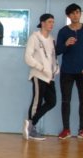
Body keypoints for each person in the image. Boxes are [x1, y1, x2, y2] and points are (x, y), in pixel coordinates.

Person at [55, 3, 83, 141]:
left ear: (80, 14)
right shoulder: (63, 31)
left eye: (77, 12)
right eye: (72, 13)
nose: (75, 15)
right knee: (65, 100)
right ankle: (66, 129)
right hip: (67, 71)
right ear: (68, 15)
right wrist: (65, 44)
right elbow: (57, 51)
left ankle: (82, 130)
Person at [23, 13, 58, 141]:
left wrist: (56, 68)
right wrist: (41, 68)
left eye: (53, 22)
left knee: (52, 102)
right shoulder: (34, 37)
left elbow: (53, 57)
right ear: (42, 23)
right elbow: (28, 58)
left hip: (50, 77)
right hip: (38, 75)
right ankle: (31, 129)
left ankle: (31, 123)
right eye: (49, 22)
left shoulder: (52, 39)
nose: (52, 24)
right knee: (37, 102)